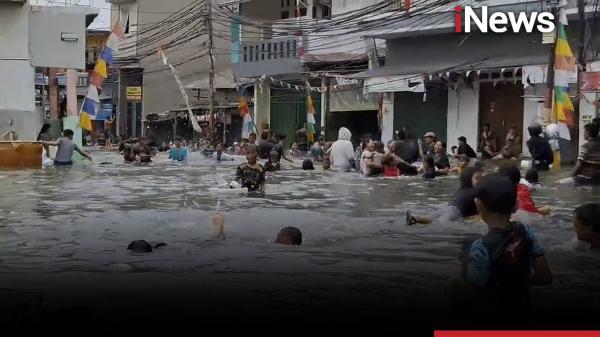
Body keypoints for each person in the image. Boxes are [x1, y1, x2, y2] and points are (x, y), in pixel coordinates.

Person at [453, 173, 552, 307]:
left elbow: (470, 298)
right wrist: (517, 281)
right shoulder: (528, 232)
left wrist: (464, 269)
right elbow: (544, 278)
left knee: (450, 288)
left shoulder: (480, 247)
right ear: (516, 205)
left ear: (478, 204)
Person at [407, 167, 483, 225]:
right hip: (454, 212)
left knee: (430, 218)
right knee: (442, 225)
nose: (480, 181)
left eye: (482, 178)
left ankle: (414, 218)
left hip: (444, 208)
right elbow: (478, 206)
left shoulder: (460, 191)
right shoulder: (476, 192)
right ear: (468, 179)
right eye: (477, 178)